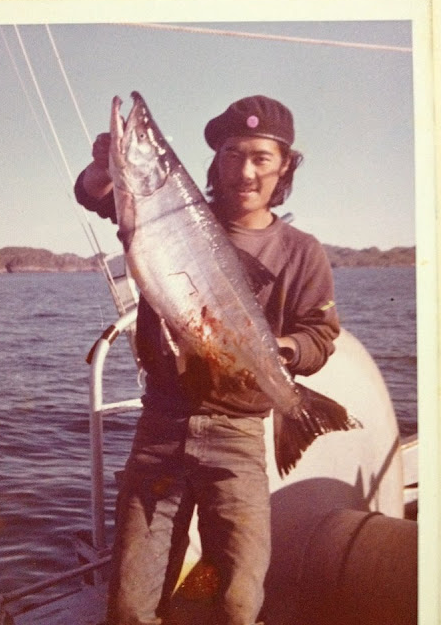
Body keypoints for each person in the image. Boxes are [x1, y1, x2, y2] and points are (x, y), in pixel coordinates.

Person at [74, 95, 340, 625]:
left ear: (285, 165)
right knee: (130, 605)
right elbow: (93, 194)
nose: (246, 170)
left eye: (261, 157)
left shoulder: (301, 250)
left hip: (237, 433)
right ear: (216, 160)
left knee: (238, 598)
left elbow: (320, 335)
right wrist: (105, 167)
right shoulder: (168, 207)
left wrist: (279, 351)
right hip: (162, 425)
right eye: (233, 154)